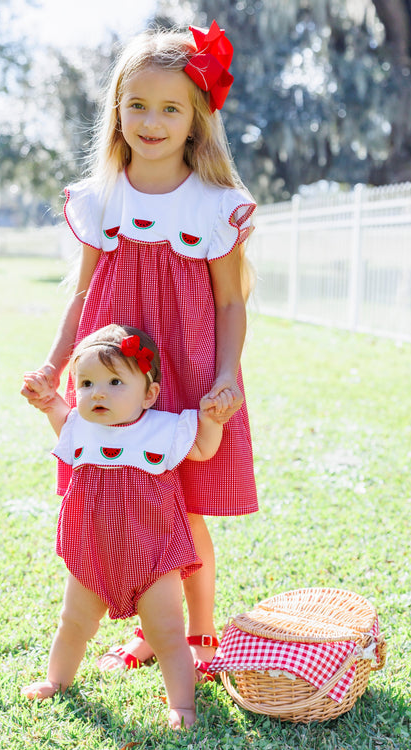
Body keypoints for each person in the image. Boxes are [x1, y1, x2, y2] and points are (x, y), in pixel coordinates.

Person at [22, 19, 258, 683]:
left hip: (183, 366)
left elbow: (232, 302)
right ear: (117, 110)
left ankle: (200, 634)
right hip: (113, 369)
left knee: (181, 506)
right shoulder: (103, 198)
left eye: (169, 108)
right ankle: (158, 633)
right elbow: (83, 292)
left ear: (196, 120)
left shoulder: (215, 205)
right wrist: (53, 363)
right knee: (125, 497)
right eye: (137, 106)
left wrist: (223, 376)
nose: (151, 121)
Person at [21, 324, 228, 729]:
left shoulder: (164, 428)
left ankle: (182, 705)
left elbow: (203, 448)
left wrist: (212, 420)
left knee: (167, 633)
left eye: (116, 381)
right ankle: (56, 679)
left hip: (154, 555)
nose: (98, 392)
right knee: (73, 623)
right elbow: (55, 410)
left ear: (149, 394)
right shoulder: (78, 425)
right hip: (93, 555)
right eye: (86, 383)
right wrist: (46, 398)